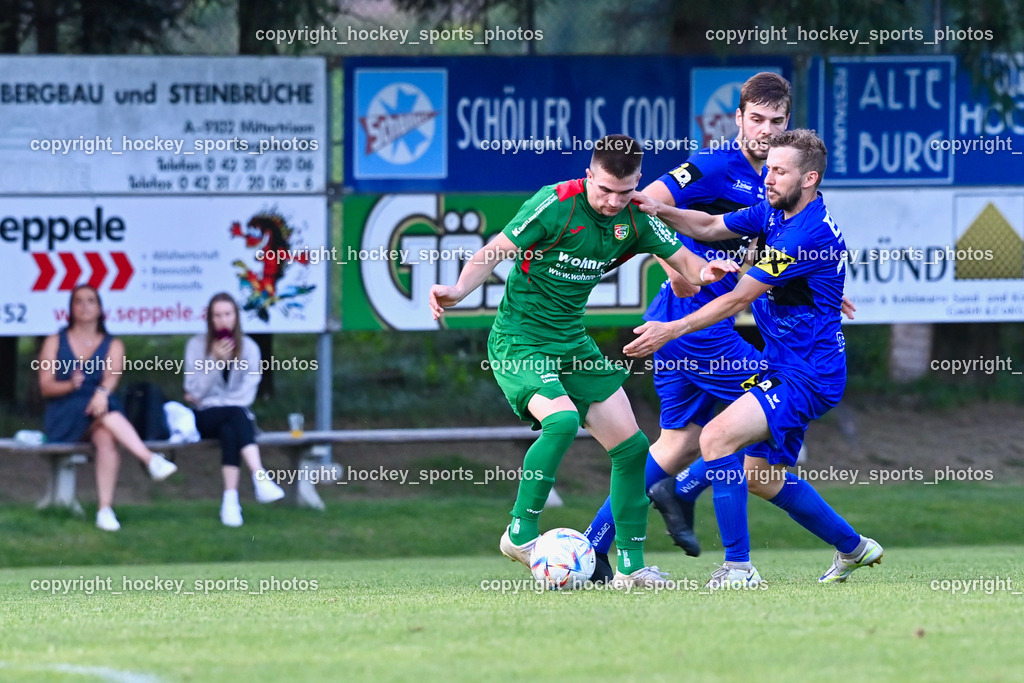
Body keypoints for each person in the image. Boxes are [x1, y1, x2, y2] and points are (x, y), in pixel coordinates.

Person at [429, 134, 739, 588]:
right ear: (589, 175)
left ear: (637, 182)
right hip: (520, 340)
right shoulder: (555, 204)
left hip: (572, 344)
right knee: (561, 421)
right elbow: (494, 251)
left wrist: (706, 272)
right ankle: (520, 533)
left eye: (625, 192)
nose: (614, 202)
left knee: (632, 448)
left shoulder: (636, 215)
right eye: (605, 190)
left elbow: (686, 262)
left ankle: (631, 568)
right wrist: (458, 290)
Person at [628, 129, 882, 588]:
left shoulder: (804, 233)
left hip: (809, 375)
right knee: (760, 477)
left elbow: (736, 299)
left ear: (809, 179)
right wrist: (658, 208)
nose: (767, 177)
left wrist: (672, 328)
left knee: (716, 437)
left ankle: (739, 568)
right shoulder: (776, 209)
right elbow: (709, 226)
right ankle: (855, 548)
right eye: (768, 168)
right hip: (786, 364)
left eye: (779, 171)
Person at [585, 72, 792, 561]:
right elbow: (644, 205)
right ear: (738, 118)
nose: (765, 130)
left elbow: (763, 251)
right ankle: (684, 493)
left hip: (695, 325)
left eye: (776, 121)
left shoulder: (777, 178)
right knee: (782, 396)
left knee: (678, 444)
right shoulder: (714, 165)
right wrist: (674, 267)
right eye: (756, 119)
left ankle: (593, 547)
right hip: (693, 324)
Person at [38, 285, 178, 532]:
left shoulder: (113, 344)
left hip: (99, 410)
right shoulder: (55, 341)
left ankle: (105, 510)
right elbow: (45, 386)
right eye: (79, 301)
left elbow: (111, 378)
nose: (84, 306)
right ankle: (149, 459)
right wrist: (70, 385)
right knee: (105, 412)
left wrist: (101, 393)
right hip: (65, 412)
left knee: (106, 437)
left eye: (90, 301)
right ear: (70, 307)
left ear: (100, 308)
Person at [184, 292, 285, 527]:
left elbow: (247, 393)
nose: (223, 321)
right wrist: (214, 361)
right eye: (217, 315)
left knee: (231, 429)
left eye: (228, 314)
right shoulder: (196, 346)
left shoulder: (249, 348)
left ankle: (230, 502)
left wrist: (216, 401)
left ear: (236, 316)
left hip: (233, 415)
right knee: (236, 415)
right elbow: (193, 391)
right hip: (204, 416)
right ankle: (259, 476)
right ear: (210, 319)